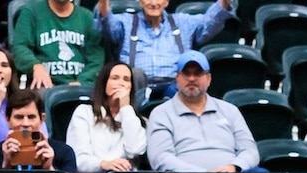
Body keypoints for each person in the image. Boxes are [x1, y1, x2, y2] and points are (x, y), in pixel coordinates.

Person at [144, 50, 258, 173]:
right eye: (186, 73)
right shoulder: (161, 113)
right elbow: (160, 157)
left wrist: (235, 166)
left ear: (209, 79)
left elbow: (250, 150)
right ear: (177, 78)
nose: (192, 79)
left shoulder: (229, 110)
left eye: (198, 73)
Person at [97, 0, 234, 99]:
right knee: (134, 74)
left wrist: (225, 2)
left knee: (188, 76)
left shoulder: (183, 22)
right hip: (137, 88)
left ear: (167, 2)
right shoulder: (126, 22)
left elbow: (210, 22)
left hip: (175, 86)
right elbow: (107, 24)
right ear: (140, 2)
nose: (153, 3)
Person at [66, 59, 145, 172]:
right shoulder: (84, 112)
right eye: (115, 78)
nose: (121, 83)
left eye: (126, 80)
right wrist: (103, 164)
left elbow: (135, 150)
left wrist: (126, 108)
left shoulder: (133, 117)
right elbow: (78, 159)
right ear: (104, 83)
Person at [11, 0, 104, 89]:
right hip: (44, 86)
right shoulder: (31, 12)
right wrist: (35, 66)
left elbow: (96, 59)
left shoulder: (88, 18)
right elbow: (20, 47)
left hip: (80, 86)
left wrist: (81, 81)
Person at [0, 87, 79, 171]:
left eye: (31, 117)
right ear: (7, 119)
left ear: (42, 119)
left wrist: (49, 168)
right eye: (19, 117)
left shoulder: (64, 152)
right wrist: (6, 165)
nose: (25, 124)